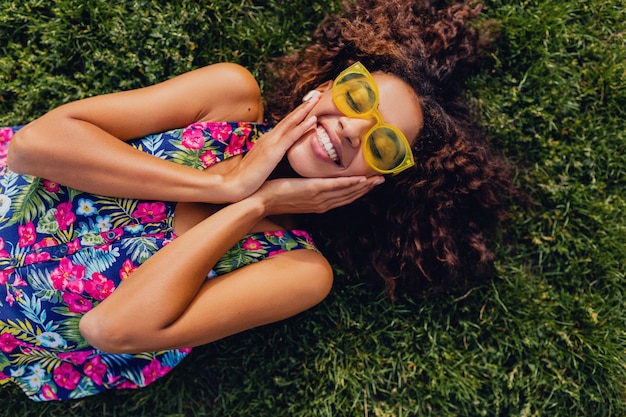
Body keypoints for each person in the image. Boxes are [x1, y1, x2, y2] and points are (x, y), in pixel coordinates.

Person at [0, 0, 513, 402]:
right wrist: (222, 186)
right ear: (325, 86)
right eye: (358, 99)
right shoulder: (227, 99)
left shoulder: (297, 271)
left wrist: (255, 205)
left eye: (383, 145)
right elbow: (30, 149)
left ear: (382, 181)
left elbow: (109, 328)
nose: (353, 129)